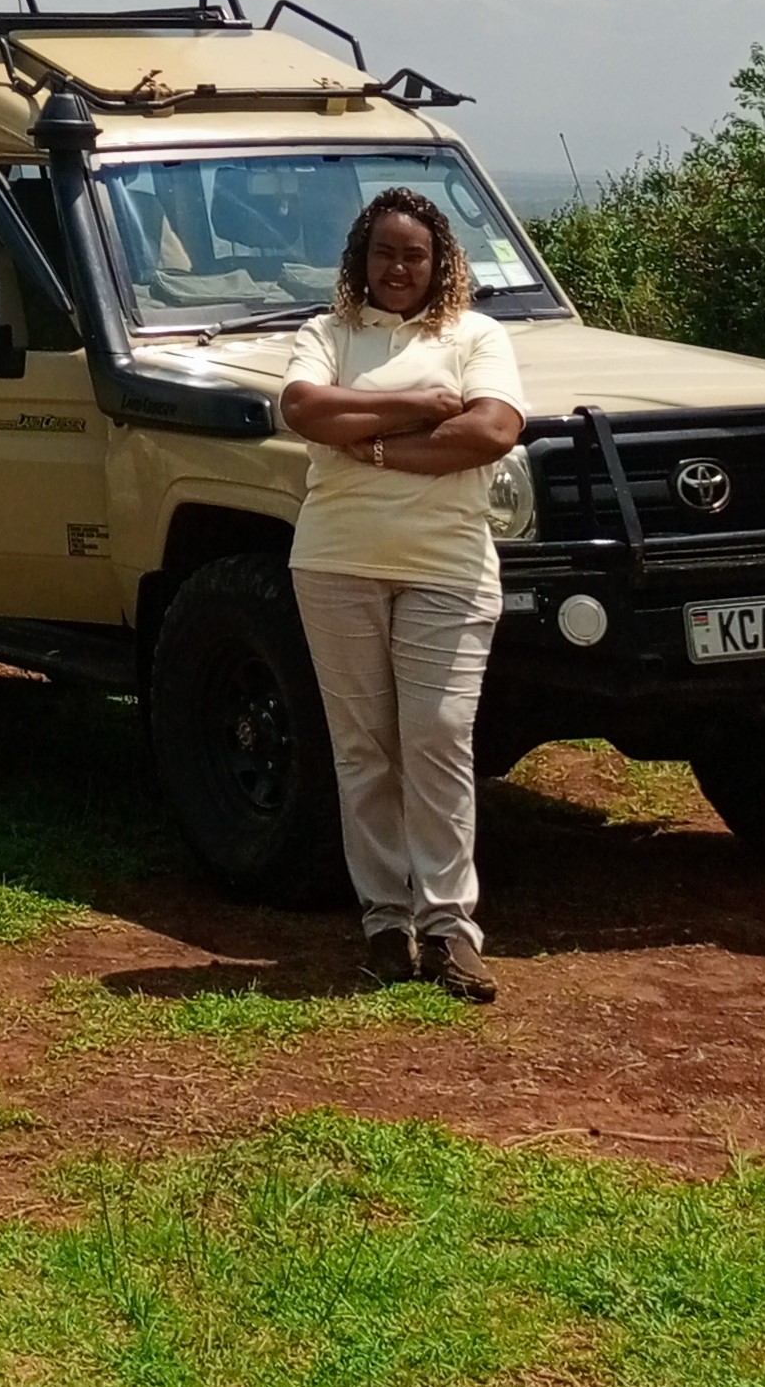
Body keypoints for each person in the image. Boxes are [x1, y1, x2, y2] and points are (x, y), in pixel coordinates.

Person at [277, 186, 527, 1003]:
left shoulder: (475, 335)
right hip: (336, 562)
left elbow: (490, 431)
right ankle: (386, 920)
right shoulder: (328, 333)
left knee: (438, 739)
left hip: (447, 567)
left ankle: (451, 927)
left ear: (441, 261)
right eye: (384, 252)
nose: (398, 268)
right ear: (361, 257)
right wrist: (420, 409)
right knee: (363, 747)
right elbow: (305, 407)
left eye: (414, 254)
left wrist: (371, 446)